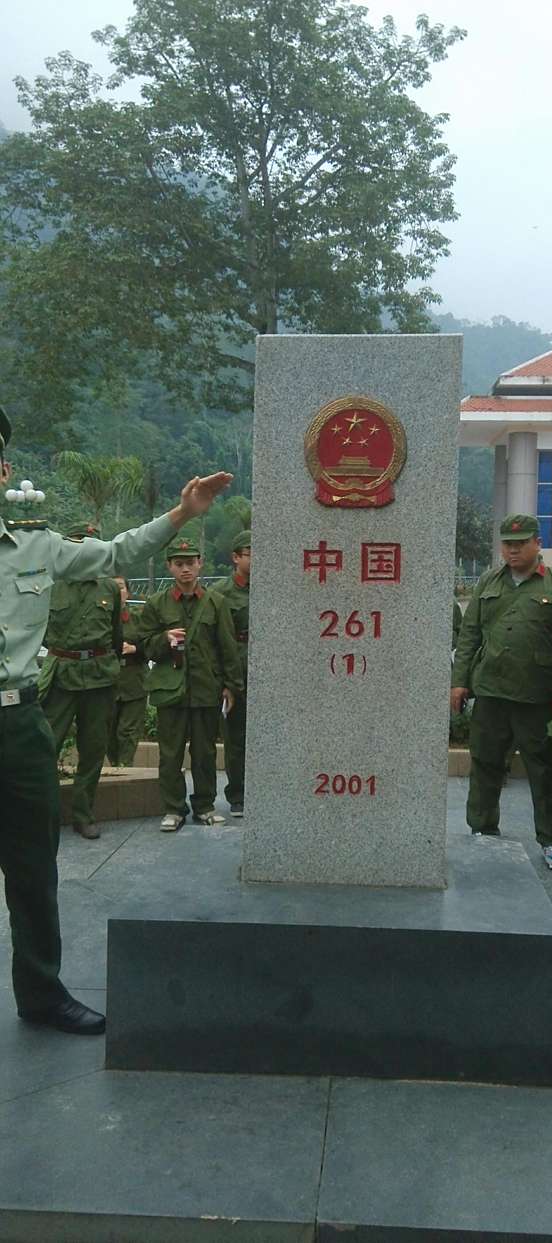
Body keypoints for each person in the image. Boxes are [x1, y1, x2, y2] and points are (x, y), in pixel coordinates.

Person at [0, 401, 232, 1034]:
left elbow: (117, 551)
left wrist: (184, 514)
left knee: (32, 866)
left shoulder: (38, 546)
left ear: (2, 469)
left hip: (16, 725)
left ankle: (41, 993)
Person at [450, 514, 552, 869]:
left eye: (520, 543)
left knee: (542, 767)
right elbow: (469, 635)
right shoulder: (490, 581)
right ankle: (482, 829)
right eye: (507, 543)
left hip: (535, 693)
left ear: (538, 543)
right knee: (485, 762)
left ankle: (551, 839)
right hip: (490, 688)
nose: (513, 550)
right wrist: (459, 681)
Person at [139, 536, 243, 831]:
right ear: (169, 567)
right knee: (170, 753)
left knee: (205, 752)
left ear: (200, 564)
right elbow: (144, 645)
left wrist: (231, 686)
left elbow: (227, 648)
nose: (186, 569)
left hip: (205, 688)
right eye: (179, 564)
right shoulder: (157, 604)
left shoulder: (216, 602)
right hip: (170, 690)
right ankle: (173, 808)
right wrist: (164, 639)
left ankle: (205, 806)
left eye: (191, 563)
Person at [38, 525, 122, 840]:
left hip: (99, 677)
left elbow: (116, 635)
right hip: (62, 676)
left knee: (93, 748)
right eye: (79, 545)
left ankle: (83, 814)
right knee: (45, 746)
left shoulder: (109, 588)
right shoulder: (50, 584)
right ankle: (40, 815)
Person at [218, 530, 251, 816]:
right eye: (250, 553)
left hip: (268, 671)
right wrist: (226, 683)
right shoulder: (220, 593)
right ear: (236, 557)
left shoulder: (272, 588)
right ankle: (237, 794)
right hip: (236, 668)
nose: (256, 558)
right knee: (236, 737)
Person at [106, 577, 147, 768]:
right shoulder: (100, 619)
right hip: (107, 682)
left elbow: (154, 642)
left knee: (128, 731)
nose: (117, 591)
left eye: (121, 587)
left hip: (134, 681)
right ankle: (115, 765)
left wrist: (136, 649)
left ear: (128, 592)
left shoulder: (139, 617)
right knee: (108, 732)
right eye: (112, 587)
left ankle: (125, 767)